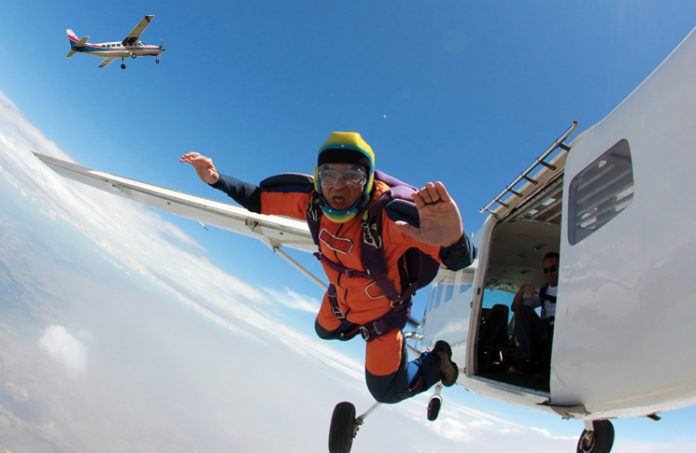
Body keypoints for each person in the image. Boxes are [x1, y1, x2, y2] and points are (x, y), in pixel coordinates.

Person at [180, 131, 474, 404]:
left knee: (387, 392)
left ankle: (437, 361)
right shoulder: (311, 202)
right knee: (324, 331)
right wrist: (216, 179)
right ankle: (353, 323)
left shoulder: (392, 218)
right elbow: (259, 199)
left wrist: (454, 239)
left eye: (353, 176)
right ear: (318, 177)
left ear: (368, 179)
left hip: (381, 318)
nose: (338, 186)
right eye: (329, 174)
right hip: (340, 301)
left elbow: (457, 260)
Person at [510, 251, 559, 374]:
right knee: (523, 310)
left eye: (553, 269)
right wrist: (522, 290)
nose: (549, 273)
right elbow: (515, 308)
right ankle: (526, 359)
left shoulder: (572, 287)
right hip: (546, 330)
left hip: (563, 329)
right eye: (546, 270)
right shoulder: (543, 290)